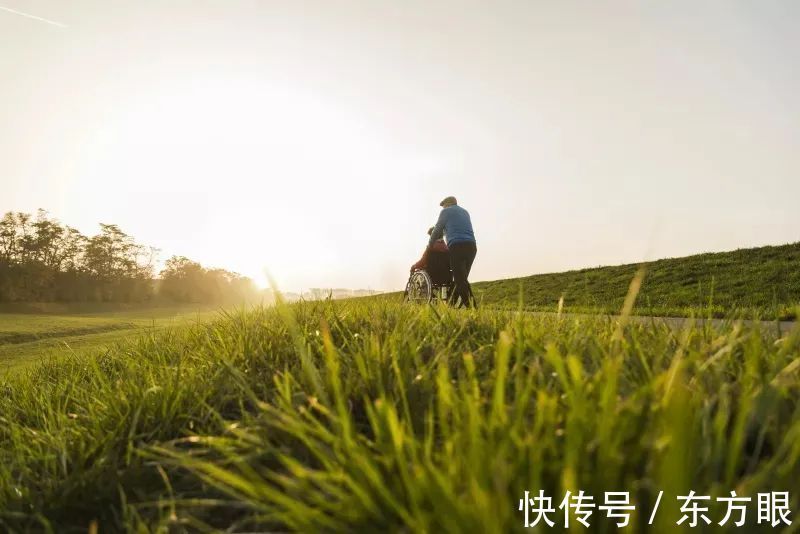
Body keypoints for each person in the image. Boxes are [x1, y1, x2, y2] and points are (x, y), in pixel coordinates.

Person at [428, 196, 477, 307]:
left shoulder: (445, 212)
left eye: (443, 205)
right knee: (462, 279)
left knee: (460, 281)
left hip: (457, 246)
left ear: (447, 204)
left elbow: (437, 229)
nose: (443, 207)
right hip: (471, 247)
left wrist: (430, 245)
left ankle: (472, 309)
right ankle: (452, 305)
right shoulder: (465, 212)